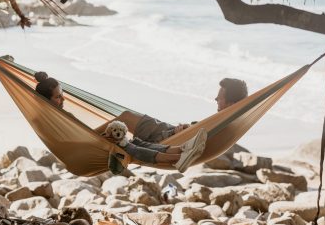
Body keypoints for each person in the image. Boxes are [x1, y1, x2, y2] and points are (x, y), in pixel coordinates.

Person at [34, 72, 207, 172]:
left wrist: (101, 136)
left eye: (62, 93)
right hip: (83, 153)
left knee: (131, 136)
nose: (63, 99)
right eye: (58, 97)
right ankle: (177, 156)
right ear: (46, 100)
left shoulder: (56, 114)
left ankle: (181, 148)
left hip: (89, 141)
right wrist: (101, 138)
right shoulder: (47, 119)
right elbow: (67, 144)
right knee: (129, 146)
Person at [95, 78, 248, 144]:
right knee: (124, 120)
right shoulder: (228, 121)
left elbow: (198, 136)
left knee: (126, 117)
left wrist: (184, 130)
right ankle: (92, 138)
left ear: (231, 103)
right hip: (171, 133)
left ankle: (90, 138)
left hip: (165, 136)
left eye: (219, 97)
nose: (215, 99)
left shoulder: (223, 122)